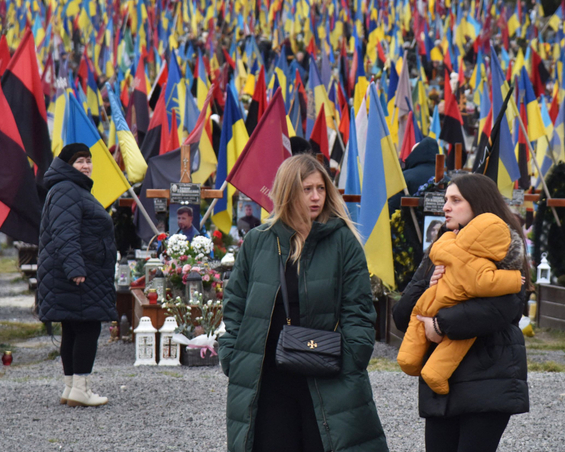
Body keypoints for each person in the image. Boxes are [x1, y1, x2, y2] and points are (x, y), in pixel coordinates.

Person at [219, 154, 387, 452]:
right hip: (267, 377)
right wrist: (232, 355)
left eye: (321, 188)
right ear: (287, 192)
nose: (315, 197)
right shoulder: (259, 241)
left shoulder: (343, 242)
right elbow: (235, 304)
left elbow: (359, 312)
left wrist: (350, 360)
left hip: (327, 376)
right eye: (306, 189)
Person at [393, 173, 529, 452]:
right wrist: (429, 288)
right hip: (440, 388)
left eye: (456, 200)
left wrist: (440, 324)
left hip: (487, 379)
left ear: (479, 205)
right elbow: (401, 315)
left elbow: (503, 309)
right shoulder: (440, 248)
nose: (446, 207)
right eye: (446, 200)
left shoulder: (505, 247)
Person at [37, 143, 117, 408]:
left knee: (72, 326)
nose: (86, 165)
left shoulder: (70, 188)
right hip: (78, 273)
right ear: (67, 165)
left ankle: (71, 387)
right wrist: (76, 269)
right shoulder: (67, 190)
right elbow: (65, 233)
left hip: (77, 271)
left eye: (88, 160)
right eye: (79, 161)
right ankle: (81, 389)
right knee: (87, 326)